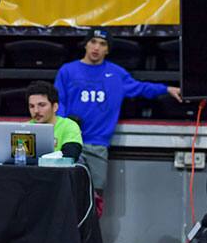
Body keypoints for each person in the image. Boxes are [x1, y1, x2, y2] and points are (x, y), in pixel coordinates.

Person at [54, 28, 182, 195]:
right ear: (85, 44)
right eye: (93, 42)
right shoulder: (68, 71)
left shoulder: (116, 74)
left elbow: (141, 88)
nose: (96, 47)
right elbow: (58, 103)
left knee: (95, 195)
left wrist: (166, 89)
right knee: (66, 192)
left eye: (102, 44)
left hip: (98, 145)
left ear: (107, 49)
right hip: (70, 142)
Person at [27, 80, 83, 159]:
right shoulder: (24, 128)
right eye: (32, 106)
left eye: (42, 105)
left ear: (55, 107)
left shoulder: (69, 126)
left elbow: (70, 156)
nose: (36, 111)